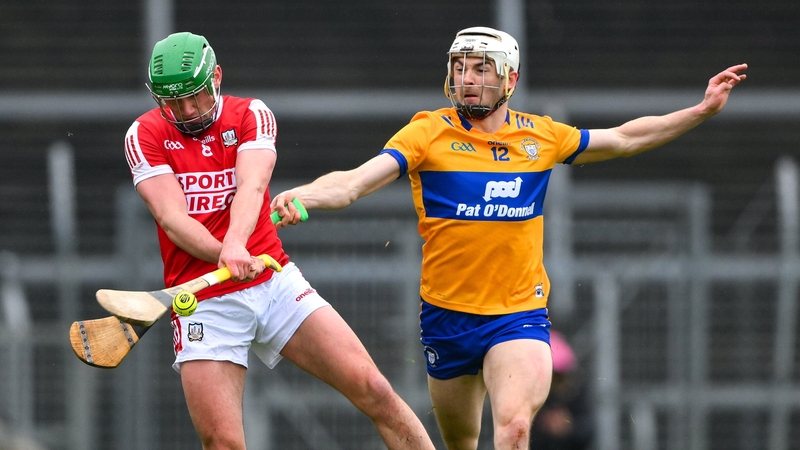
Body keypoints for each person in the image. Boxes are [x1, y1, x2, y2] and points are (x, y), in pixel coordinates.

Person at [271, 26, 747, 450]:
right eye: (460, 68)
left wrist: (700, 111)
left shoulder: (541, 137)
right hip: (448, 318)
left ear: (509, 80)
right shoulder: (426, 133)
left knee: (515, 429)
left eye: (481, 69)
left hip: (518, 314)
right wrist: (305, 196)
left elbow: (623, 138)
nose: (468, 78)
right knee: (461, 441)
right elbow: (355, 181)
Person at [123, 32, 435, 450]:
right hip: (203, 302)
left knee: (374, 389)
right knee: (223, 442)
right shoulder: (143, 135)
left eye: (194, 97)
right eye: (172, 103)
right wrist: (225, 254)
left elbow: (252, 186)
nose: (186, 111)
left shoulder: (252, 114)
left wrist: (236, 245)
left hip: (272, 281)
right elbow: (172, 218)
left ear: (216, 76)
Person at [529, 331, 592, 450]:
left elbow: (587, 432)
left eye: (559, 378)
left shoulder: (576, 397)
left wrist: (568, 427)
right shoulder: (529, 400)